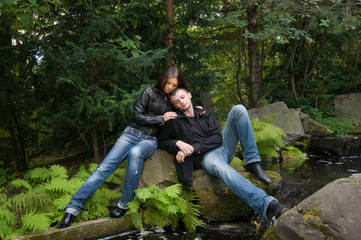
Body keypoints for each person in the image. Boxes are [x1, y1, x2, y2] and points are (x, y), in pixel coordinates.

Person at [58, 67, 189, 228]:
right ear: (163, 79)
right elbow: (138, 116)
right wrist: (161, 118)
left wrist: (196, 109)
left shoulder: (173, 100)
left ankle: (124, 203)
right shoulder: (149, 92)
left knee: (135, 153)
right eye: (168, 83)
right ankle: (72, 209)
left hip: (150, 140)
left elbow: (185, 108)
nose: (170, 87)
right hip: (131, 134)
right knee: (104, 168)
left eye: (174, 85)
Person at [158, 88, 288, 220]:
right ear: (174, 106)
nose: (182, 102)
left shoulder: (204, 114)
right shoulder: (174, 121)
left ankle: (252, 162)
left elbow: (217, 138)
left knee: (239, 109)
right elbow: (161, 140)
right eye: (177, 101)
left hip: (222, 147)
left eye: (183, 97)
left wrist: (193, 147)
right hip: (206, 157)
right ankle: (267, 205)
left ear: (189, 95)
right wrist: (177, 143)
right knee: (223, 170)